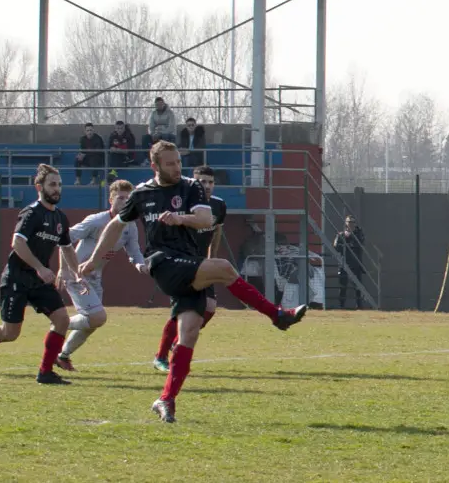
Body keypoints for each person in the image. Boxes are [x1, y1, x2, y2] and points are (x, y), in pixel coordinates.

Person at [80, 141, 307, 424]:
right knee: (224, 268)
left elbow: (204, 219)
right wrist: (92, 261)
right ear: (155, 166)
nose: (177, 168)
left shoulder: (191, 187)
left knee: (189, 333)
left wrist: (179, 218)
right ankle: (277, 315)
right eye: (170, 163)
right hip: (162, 262)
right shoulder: (142, 193)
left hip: (189, 262)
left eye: (178, 162)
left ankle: (165, 399)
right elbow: (115, 226)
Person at [0, 164, 85, 384]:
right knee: (10, 333)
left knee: (62, 319)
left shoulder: (61, 219)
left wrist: (77, 274)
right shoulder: (31, 213)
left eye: (59, 185)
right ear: (39, 187)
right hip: (17, 278)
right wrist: (40, 267)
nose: (57, 189)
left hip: (39, 281)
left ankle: (45, 372)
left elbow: (66, 248)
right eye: (52, 184)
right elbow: (17, 243)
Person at [55, 179, 149, 372]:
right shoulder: (96, 221)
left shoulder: (129, 226)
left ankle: (62, 356)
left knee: (92, 322)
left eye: (128, 198)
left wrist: (141, 266)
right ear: (110, 200)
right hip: (77, 275)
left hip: (95, 277)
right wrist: (64, 269)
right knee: (97, 317)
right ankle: (59, 325)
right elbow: (65, 237)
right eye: (120, 198)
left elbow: (134, 252)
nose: (124, 202)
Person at [153, 165, 226, 373]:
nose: (207, 186)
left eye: (211, 182)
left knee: (210, 308)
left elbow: (217, 230)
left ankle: (179, 343)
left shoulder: (219, 206)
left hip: (203, 264)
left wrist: (213, 258)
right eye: (202, 181)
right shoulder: (183, 204)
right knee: (182, 311)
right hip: (182, 264)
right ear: (194, 183)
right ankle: (160, 356)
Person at [333, 215, 366, 310]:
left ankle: (359, 305)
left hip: (355, 263)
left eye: (353, 222)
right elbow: (336, 246)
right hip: (344, 263)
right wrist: (347, 245)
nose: (351, 224)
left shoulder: (359, 234)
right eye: (349, 222)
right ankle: (341, 305)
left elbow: (359, 244)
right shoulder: (340, 234)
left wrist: (347, 244)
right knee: (342, 285)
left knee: (358, 286)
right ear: (345, 223)